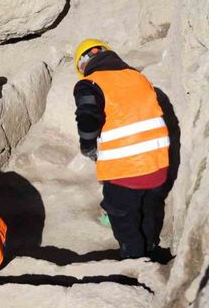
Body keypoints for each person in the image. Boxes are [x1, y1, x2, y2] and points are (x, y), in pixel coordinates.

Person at [73, 39, 170, 259]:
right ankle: (151, 247)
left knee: (123, 217)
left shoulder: (90, 83)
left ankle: (135, 260)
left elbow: (87, 118)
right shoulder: (138, 76)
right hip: (158, 165)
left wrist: (87, 146)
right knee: (148, 210)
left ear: (83, 66)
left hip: (125, 172)